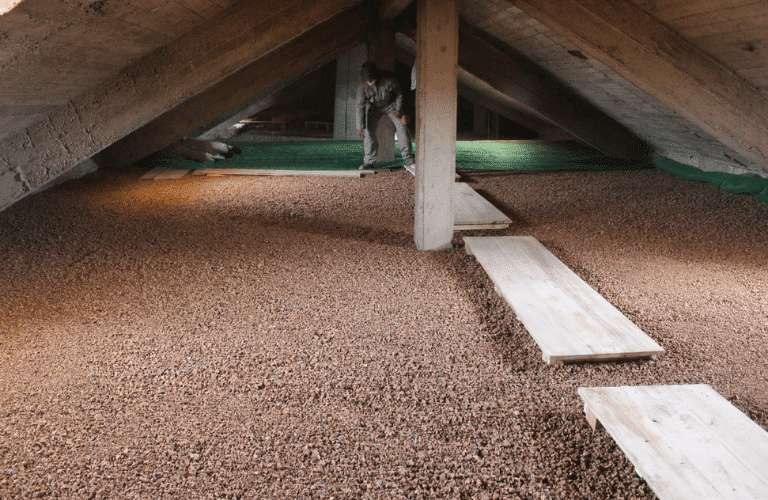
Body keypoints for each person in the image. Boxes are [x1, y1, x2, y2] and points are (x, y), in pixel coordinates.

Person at [356, 61, 415, 170]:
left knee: (402, 128)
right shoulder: (362, 86)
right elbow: (360, 107)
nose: (369, 81)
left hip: (390, 105)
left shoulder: (388, 79)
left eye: (371, 78)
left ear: (376, 75)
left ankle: (409, 159)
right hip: (373, 108)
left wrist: (398, 110)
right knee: (368, 131)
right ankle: (369, 162)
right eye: (367, 79)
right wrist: (360, 126)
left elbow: (399, 93)